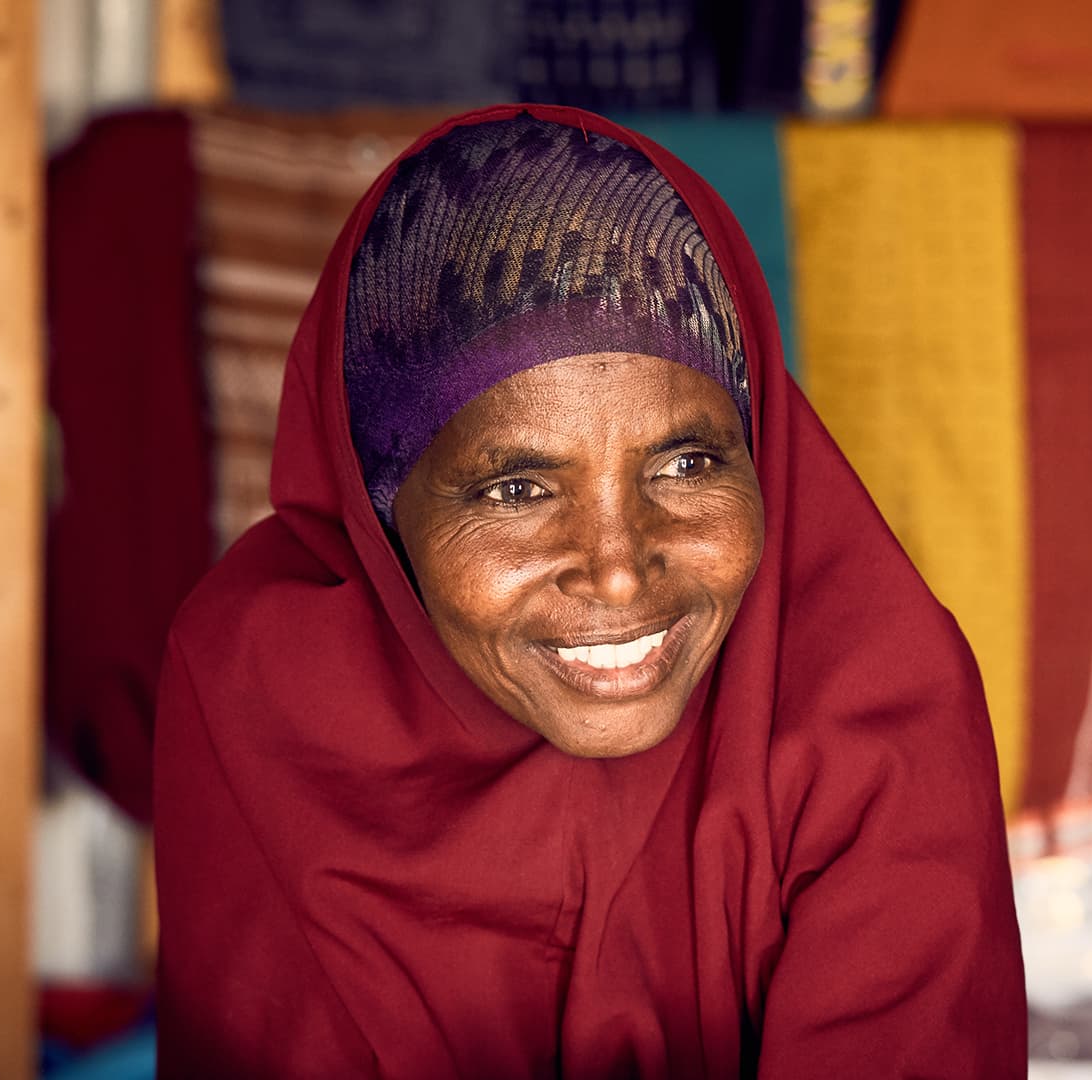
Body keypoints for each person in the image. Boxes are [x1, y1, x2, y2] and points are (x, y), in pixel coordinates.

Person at [153, 103, 1025, 1077]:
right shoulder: (263, 693)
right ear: (381, 508)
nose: (617, 567)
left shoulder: (878, 702)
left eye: (687, 466)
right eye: (517, 490)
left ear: (762, 449)